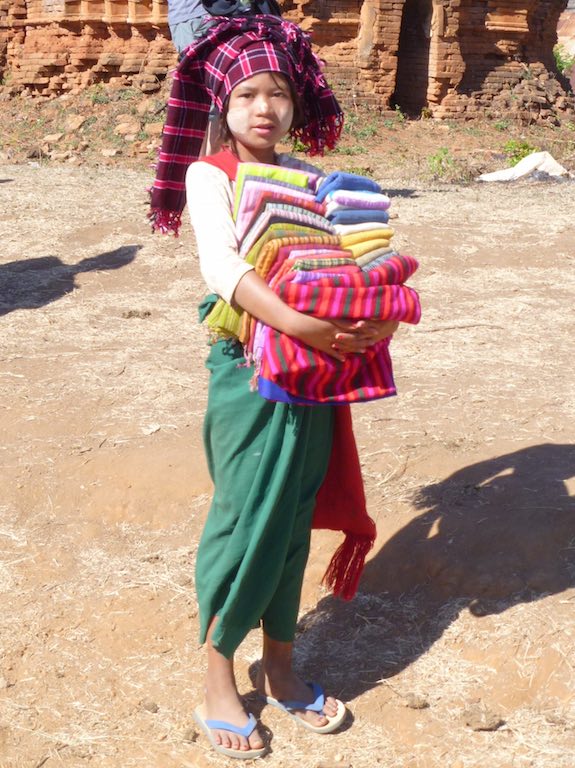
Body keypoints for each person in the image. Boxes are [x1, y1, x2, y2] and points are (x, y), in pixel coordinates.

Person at [150, 16, 401, 760]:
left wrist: (367, 322)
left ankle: (283, 667)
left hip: (316, 373)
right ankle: (218, 680)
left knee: (291, 519)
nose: (265, 108)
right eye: (248, 95)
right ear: (222, 106)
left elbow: (349, 265)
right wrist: (304, 324)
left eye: (279, 95)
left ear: (296, 106)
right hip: (250, 372)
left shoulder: (311, 179)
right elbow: (223, 269)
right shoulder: (211, 175)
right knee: (243, 521)